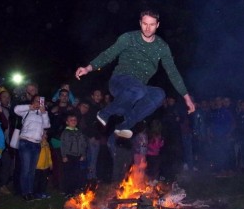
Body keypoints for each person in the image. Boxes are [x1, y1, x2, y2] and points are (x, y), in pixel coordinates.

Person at [75, 9, 195, 139]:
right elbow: (108, 54)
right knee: (138, 89)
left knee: (159, 94)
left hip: (137, 90)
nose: (148, 28)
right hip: (119, 82)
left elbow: (172, 72)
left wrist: (187, 98)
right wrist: (88, 68)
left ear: (158, 25)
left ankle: (125, 125)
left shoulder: (162, 47)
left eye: (152, 25)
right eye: (145, 24)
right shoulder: (129, 38)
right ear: (140, 23)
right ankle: (105, 113)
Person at [14, 95, 50, 200]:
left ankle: (30, 191)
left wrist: (44, 113)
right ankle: (25, 192)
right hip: (25, 142)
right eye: (36, 101)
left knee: (32, 170)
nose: (38, 103)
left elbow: (47, 125)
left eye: (40, 101)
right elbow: (16, 109)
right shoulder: (27, 111)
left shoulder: (43, 113)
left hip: (36, 144)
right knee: (25, 169)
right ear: (32, 101)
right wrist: (30, 107)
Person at [60, 113, 87, 195]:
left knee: (76, 174)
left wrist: (83, 154)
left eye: (75, 120)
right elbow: (63, 145)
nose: (73, 121)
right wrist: (64, 155)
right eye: (71, 120)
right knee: (68, 174)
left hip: (77, 156)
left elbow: (83, 144)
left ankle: (74, 190)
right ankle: (67, 191)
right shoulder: (65, 132)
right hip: (69, 156)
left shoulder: (79, 132)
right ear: (67, 122)